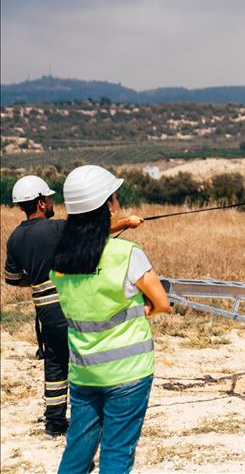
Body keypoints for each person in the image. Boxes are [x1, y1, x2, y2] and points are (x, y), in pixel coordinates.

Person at [50, 165, 170, 474]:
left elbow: (87, 241)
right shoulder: (127, 254)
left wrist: (124, 223)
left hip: (84, 373)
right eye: (114, 198)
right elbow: (162, 303)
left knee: (77, 451)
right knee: (117, 454)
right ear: (108, 205)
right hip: (129, 372)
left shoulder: (60, 261)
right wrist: (147, 310)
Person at [3, 175, 143, 437]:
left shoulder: (14, 239)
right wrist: (126, 223)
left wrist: (36, 279)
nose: (52, 201)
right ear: (42, 203)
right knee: (89, 357)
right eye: (50, 198)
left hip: (44, 310)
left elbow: (12, 278)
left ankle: (54, 422)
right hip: (69, 304)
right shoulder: (55, 228)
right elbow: (90, 232)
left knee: (55, 363)